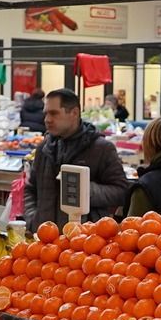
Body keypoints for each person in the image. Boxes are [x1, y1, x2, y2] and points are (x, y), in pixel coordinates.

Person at [27, 89, 128, 226]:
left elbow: (120, 191)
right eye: (46, 113)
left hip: (84, 241)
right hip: (45, 240)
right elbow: (30, 188)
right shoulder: (44, 148)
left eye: (54, 113)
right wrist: (33, 219)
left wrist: (83, 190)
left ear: (74, 113)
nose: (47, 120)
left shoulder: (101, 148)